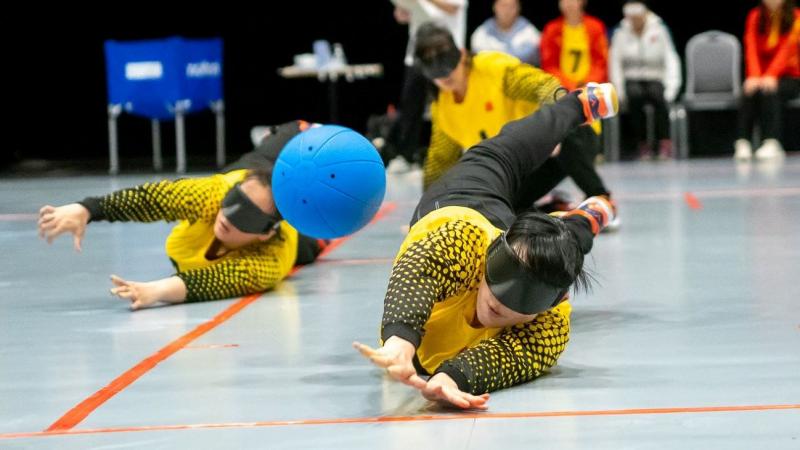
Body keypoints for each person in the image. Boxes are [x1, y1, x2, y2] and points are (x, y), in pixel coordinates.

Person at [354, 82, 619, 409]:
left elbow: (512, 357)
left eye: (525, 295)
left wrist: (451, 378)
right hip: (463, 203)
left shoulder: (550, 325)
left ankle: (586, 219)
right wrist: (399, 342)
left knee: (564, 246)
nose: (499, 298)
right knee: (498, 152)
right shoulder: (459, 242)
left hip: (523, 251)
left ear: (549, 305)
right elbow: (417, 274)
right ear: (498, 250)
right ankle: (576, 106)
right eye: (503, 271)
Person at [37, 121, 328, 310]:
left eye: (246, 215)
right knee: (304, 132)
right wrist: (87, 209)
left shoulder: (270, 258)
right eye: (233, 202)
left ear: (264, 231)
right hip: (259, 168)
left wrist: (156, 291)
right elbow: (153, 199)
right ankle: (272, 138)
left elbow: (218, 280)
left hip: (293, 232)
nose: (228, 216)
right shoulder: (214, 195)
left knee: (319, 234)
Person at [415, 24, 616, 225]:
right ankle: (555, 208)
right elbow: (439, 162)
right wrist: (428, 214)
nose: (445, 77)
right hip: (524, 164)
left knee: (566, 137)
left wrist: (555, 126)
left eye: (449, 66)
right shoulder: (442, 109)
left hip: (571, 133)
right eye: (437, 75)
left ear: (462, 54)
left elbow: (542, 85)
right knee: (500, 206)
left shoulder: (491, 68)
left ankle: (602, 200)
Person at [381, 0, 468, 169]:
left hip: (446, 55)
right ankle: (405, 156)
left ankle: (456, 155)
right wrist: (404, 12)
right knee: (410, 107)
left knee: (448, 107)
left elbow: (453, 7)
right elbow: (402, 16)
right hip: (417, 55)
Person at [609, 0, 682, 160]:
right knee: (634, 96)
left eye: (638, 18)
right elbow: (615, 63)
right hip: (632, 78)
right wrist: (619, 91)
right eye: (632, 19)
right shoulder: (621, 33)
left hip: (655, 77)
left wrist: (672, 87)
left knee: (658, 95)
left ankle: (664, 141)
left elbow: (671, 59)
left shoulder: (659, 30)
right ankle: (643, 144)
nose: (635, 22)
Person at [735, 0, 800, 161]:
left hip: (790, 75)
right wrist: (754, 76)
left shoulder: (796, 17)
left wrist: (771, 75)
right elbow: (750, 47)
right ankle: (743, 142)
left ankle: (772, 142)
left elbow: (787, 50)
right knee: (749, 91)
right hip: (761, 75)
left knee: (771, 91)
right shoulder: (755, 16)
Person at [470, 0, 542, 66]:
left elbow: (532, 58)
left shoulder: (530, 32)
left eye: (512, 6)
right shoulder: (482, 32)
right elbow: (480, 57)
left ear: (519, 8)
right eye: (503, 5)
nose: (507, 11)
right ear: (494, 7)